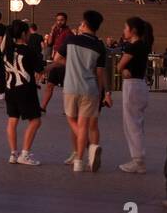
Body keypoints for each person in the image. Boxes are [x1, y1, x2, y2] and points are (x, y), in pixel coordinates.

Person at [52, 9, 110, 173]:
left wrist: (70, 64)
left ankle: (83, 156)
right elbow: (100, 73)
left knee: (73, 122)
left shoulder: (71, 39)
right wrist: (102, 94)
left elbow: (57, 59)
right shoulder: (99, 46)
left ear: (84, 24)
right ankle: (85, 157)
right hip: (90, 89)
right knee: (88, 125)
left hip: (71, 86)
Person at [1, 19, 44, 166]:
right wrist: (57, 64)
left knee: (13, 120)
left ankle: (13, 153)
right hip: (25, 89)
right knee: (35, 120)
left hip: (10, 89)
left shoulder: (7, 50)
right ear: (24, 34)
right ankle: (25, 153)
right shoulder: (28, 50)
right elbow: (40, 69)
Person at [117, 17, 153, 173]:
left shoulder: (134, 47)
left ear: (133, 31)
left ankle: (138, 160)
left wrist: (122, 69)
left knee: (132, 124)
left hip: (132, 85)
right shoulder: (143, 46)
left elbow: (120, 65)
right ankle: (138, 159)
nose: (124, 31)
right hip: (140, 84)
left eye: (126, 28)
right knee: (137, 123)